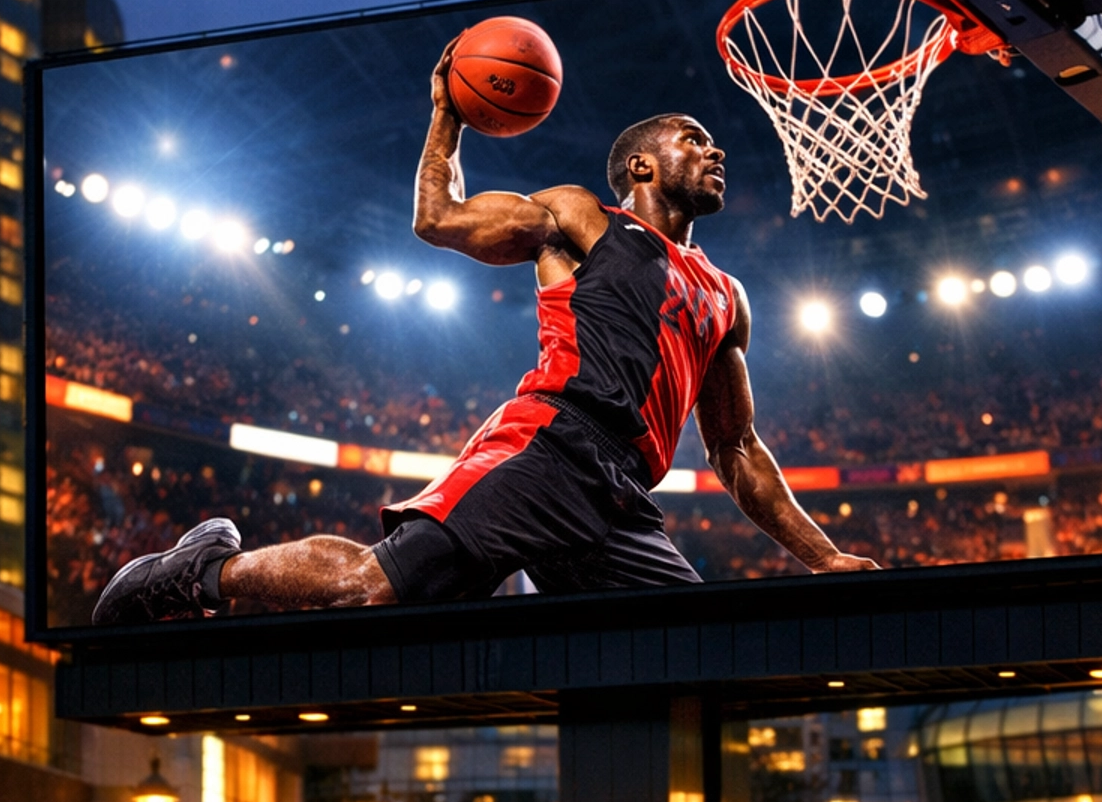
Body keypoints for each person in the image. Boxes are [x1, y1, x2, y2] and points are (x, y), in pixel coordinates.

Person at [90, 65, 877, 626]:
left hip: (623, 494)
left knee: (689, 644)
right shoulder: (582, 219)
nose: (716, 152)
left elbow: (737, 448)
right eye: (693, 140)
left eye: (714, 145)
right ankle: (199, 571)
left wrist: (823, 557)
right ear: (642, 163)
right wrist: (449, 113)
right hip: (549, 449)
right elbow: (439, 218)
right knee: (375, 588)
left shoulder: (725, 295)